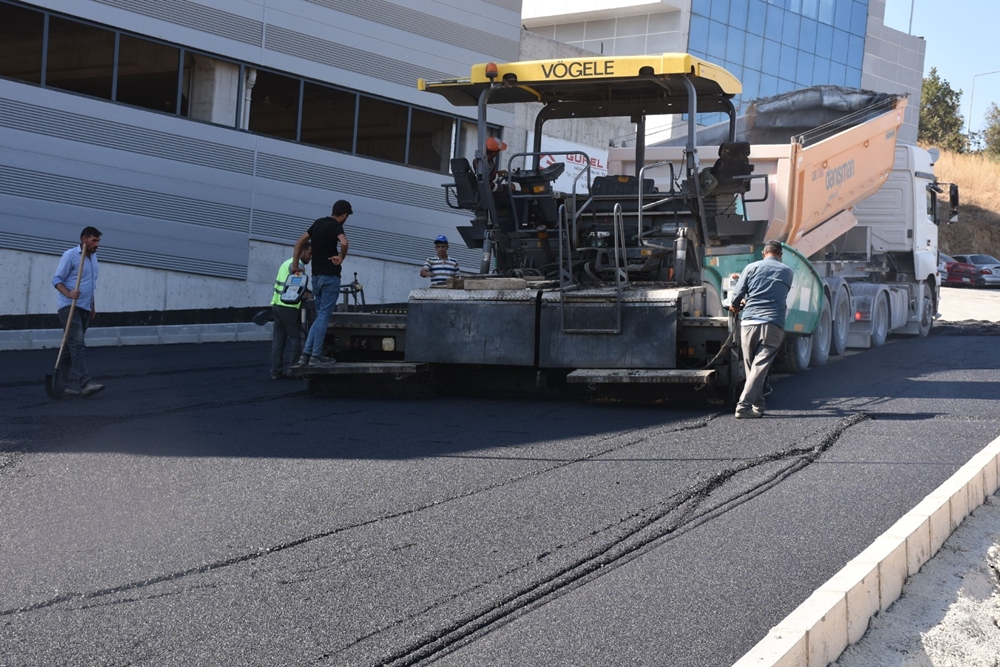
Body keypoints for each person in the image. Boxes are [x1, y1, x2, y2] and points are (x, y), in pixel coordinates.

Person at [729, 239, 794, 419]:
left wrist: (736, 306)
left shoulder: (751, 268)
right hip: (773, 324)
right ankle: (751, 406)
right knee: (758, 368)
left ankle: (751, 405)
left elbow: (738, 294)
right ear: (780, 255)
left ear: (763, 253)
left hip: (749, 323)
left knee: (753, 368)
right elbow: (777, 293)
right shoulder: (788, 272)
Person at [292, 200, 351, 367]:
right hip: (330, 277)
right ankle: (316, 355)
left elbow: (298, 243)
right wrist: (341, 257)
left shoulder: (317, 223)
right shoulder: (336, 226)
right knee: (324, 316)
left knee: (319, 317)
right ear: (344, 215)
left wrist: (295, 266)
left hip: (316, 277)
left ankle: (306, 355)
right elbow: (345, 243)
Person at [52, 226, 105, 397]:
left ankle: (59, 387)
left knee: (69, 348)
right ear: (84, 239)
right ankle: (86, 383)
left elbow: (90, 283)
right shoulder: (70, 255)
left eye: (98, 241)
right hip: (69, 307)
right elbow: (57, 280)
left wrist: (92, 305)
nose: (97, 244)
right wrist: (69, 293)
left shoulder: (94, 258)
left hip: (85, 308)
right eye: (94, 240)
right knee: (77, 344)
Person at [270, 241, 313, 378]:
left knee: (279, 340)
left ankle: (276, 372)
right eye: (310, 253)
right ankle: (294, 370)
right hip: (289, 307)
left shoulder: (286, 263)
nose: (310, 257)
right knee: (297, 338)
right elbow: (299, 288)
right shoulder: (297, 266)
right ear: (301, 251)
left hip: (277, 305)